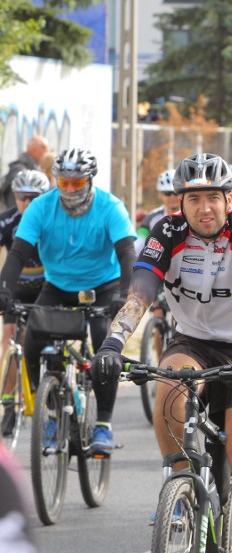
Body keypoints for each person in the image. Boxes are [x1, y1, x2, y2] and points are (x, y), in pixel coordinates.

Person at [92, 153, 232, 553]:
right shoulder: (168, 231)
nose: (204, 208)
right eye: (193, 199)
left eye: (213, 197)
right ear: (180, 202)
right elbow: (139, 294)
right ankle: (178, 487)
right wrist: (112, 342)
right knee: (169, 382)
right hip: (193, 340)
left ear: (229, 199)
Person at [0, 148, 136, 455]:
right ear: (56, 180)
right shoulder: (42, 207)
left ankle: (103, 424)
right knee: (33, 341)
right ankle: (49, 414)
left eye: (77, 183)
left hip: (104, 283)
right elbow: (19, 252)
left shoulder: (110, 206)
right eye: (64, 183)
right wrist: (4, 288)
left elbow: (127, 252)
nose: (70, 189)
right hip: (58, 284)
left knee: (104, 344)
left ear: (89, 180)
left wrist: (123, 294)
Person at [0, 170, 50, 436]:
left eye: (34, 198)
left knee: (49, 340)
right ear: (15, 197)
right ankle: (9, 406)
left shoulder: (52, 219)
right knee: (8, 339)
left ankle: (51, 392)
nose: (28, 204)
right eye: (22, 198)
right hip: (17, 287)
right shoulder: (7, 220)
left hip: (47, 286)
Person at [134, 169, 180, 256]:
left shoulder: (191, 215)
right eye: (167, 193)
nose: (172, 197)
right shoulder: (150, 218)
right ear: (161, 195)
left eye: (175, 193)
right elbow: (138, 245)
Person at [1, 135, 49, 209]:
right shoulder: (20, 172)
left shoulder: (31, 169)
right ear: (35, 150)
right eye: (45, 151)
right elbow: (15, 205)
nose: (47, 155)